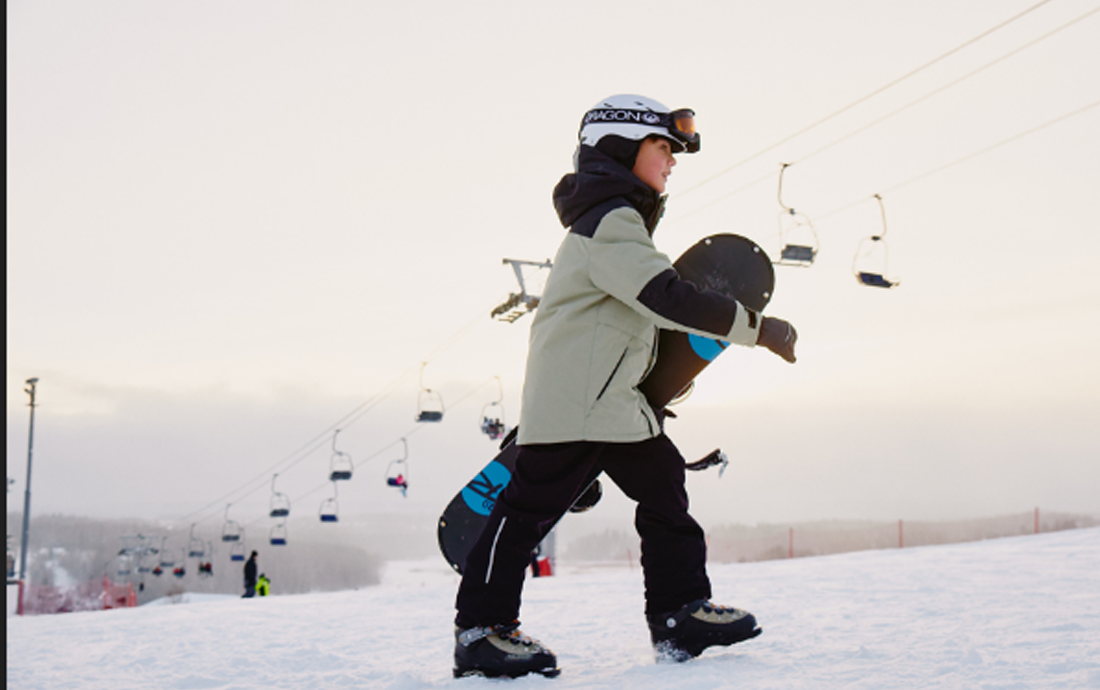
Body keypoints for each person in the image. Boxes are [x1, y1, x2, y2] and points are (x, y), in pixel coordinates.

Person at [452, 95, 798, 679]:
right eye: (663, 148)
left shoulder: (616, 220)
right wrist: (757, 328)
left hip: (613, 405)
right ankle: (481, 630)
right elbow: (663, 296)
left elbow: (633, 317)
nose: (671, 162)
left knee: (664, 493)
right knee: (525, 515)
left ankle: (678, 613)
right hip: (580, 406)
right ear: (620, 148)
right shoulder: (610, 221)